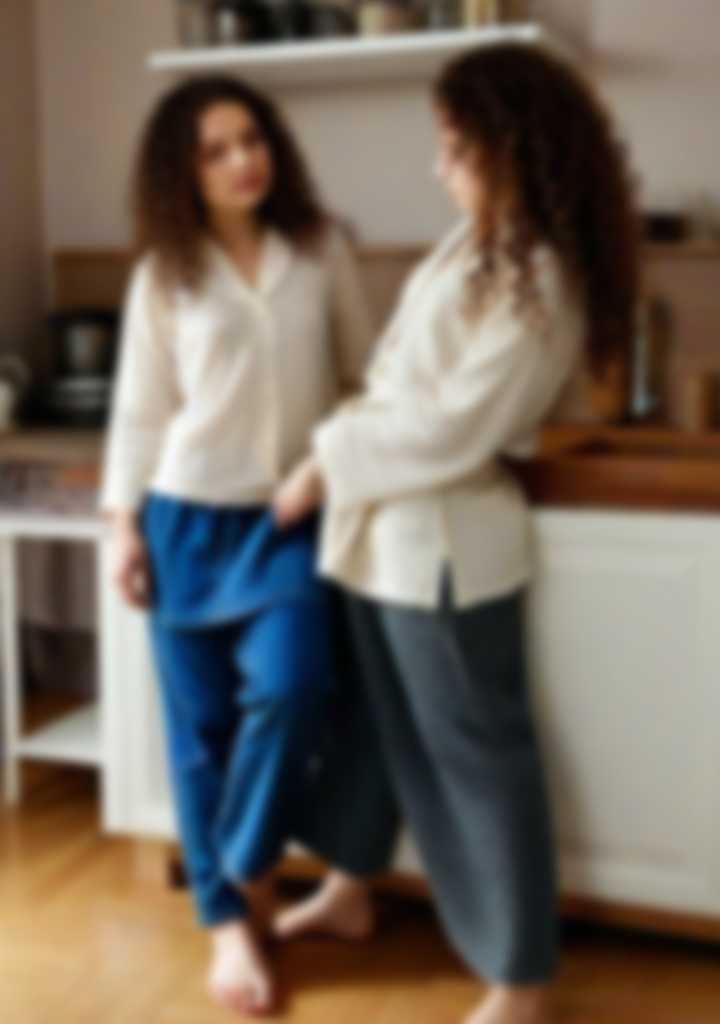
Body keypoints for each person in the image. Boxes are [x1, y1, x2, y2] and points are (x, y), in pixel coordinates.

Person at [271, 43, 640, 1024]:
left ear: (513, 149)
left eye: (454, 147)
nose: (439, 168)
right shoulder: (479, 245)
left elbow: (450, 428)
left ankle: (522, 980)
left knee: (480, 760)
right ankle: (351, 888)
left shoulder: (542, 276)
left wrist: (323, 460)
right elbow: (405, 387)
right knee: (375, 728)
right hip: (382, 538)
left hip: (441, 550)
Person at [98, 74, 375, 1017]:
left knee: (292, 689)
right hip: (183, 518)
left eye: (250, 139)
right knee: (199, 736)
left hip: (287, 516)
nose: (241, 161)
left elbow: (361, 379)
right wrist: (122, 527)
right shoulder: (163, 273)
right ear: (182, 170)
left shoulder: (321, 247)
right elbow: (140, 415)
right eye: (214, 150)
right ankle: (227, 928)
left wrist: (327, 468)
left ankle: (247, 868)